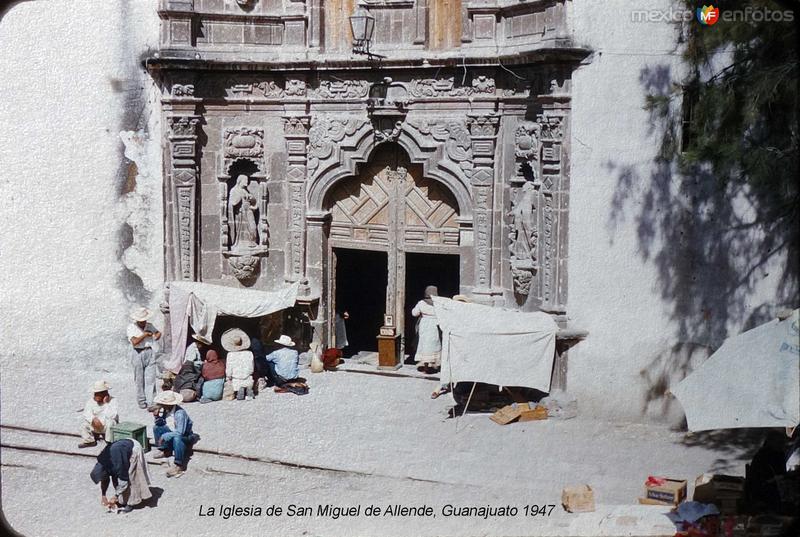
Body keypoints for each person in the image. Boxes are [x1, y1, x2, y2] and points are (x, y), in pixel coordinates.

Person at [89, 438, 151, 513]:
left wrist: (116, 496)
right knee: (116, 476)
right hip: (120, 449)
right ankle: (122, 500)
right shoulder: (101, 462)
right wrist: (103, 495)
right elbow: (105, 479)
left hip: (133, 448)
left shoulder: (117, 464)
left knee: (131, 477)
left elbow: (124, 480)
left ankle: (131, 503)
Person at [431, 294, 471, 399]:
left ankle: (458, 385)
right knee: (448, 363)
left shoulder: (467, 316)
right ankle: (441, 386)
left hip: (462, 343)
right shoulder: (450, 314)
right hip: (451, 342)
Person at [150, 390, 198, 478]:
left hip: (185, 436)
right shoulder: (166, 410)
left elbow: (180, 432)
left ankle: (179, 465)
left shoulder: (180, 414)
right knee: (156, 427)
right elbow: (163, 423)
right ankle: (165, 450)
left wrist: (164, 436)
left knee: (177, 438)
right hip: (172, 431)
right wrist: (157, 417)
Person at [127, 306, 161, 409]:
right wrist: (145, 335)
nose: (143, 323)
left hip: (149, 351)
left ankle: (152, 402)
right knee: (139, 378)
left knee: (151, 378)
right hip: (137, 353)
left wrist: (157, 335)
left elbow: (158, 333)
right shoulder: (131, 327)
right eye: (140, 321)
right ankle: (142, 401)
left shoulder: (149, 325)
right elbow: (134, 342)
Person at [78, 380, 120, 448]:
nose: (96, 396)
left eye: (98, 394)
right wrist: (93, 419)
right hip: (96, 425)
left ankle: (109, 442)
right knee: (84, 425)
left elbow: (112, 415)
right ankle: (90, 441)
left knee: (111, 423)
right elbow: (87, 413)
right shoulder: (90, 401)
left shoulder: (113, 401)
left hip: (106, 425)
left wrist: (106, 403)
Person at [412, 285, 441, 375]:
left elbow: (414, 313)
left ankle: (426, 366)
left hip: (425, 325)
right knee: (434, 344)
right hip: (435, 325)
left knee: (425, 344)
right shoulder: (439, 303)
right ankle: (434, 365)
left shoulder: (421, 303)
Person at [173, 334, 210, 402]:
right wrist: (203, 363)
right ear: (199, 343)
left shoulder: (194, 348)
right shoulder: (192, 349)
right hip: (190, 369)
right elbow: (191, 362)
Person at [222, 328, 255, 401]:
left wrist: (228, 376)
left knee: (238, 384)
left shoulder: (230, 355)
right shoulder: (249, 353)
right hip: (247, 376)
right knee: (247, 382)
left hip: (236, 378)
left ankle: (240, 389)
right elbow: (251, 367)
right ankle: (248, 389)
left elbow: (229, 368)